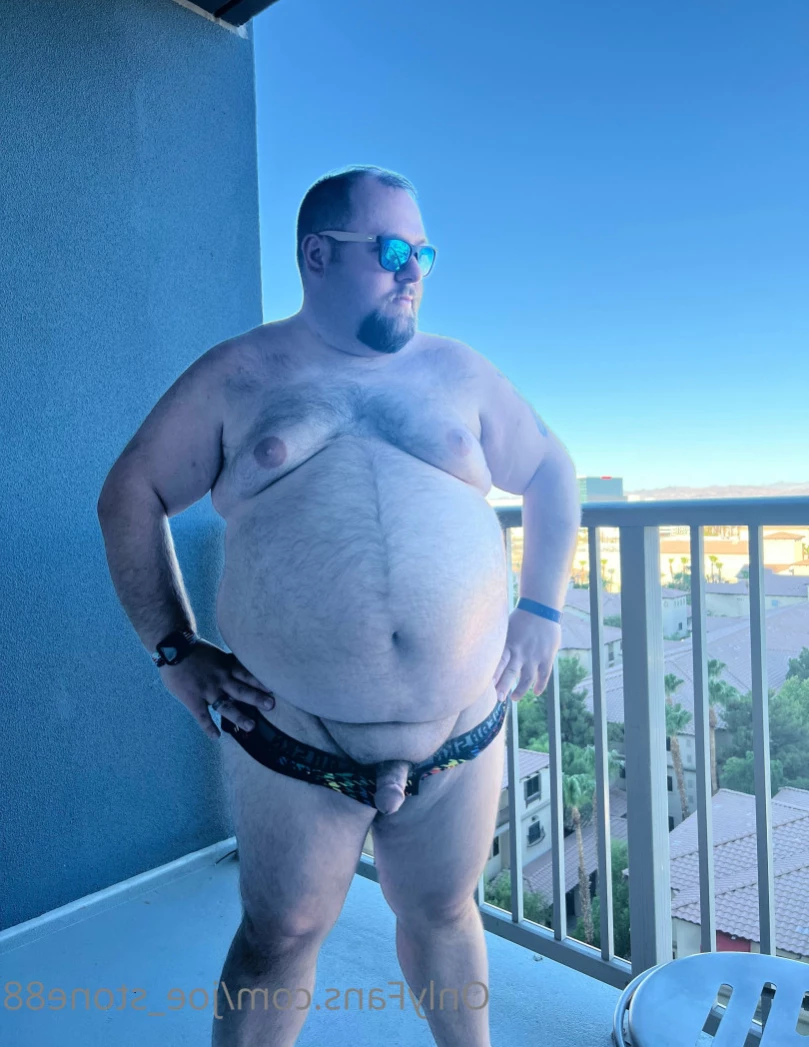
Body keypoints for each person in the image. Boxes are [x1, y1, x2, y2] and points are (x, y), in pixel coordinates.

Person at [96, 164, 581, 1047]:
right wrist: (174, 647)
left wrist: (541, 611)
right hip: (294, 736)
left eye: (424, 253)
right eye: (392, 250)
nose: (414, 271)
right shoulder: (240, 373)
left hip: (460, 729)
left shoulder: (459, 371)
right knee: (278, 936)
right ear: (317, 254)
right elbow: (130, 492)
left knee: (445, 914)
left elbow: (550, 469)